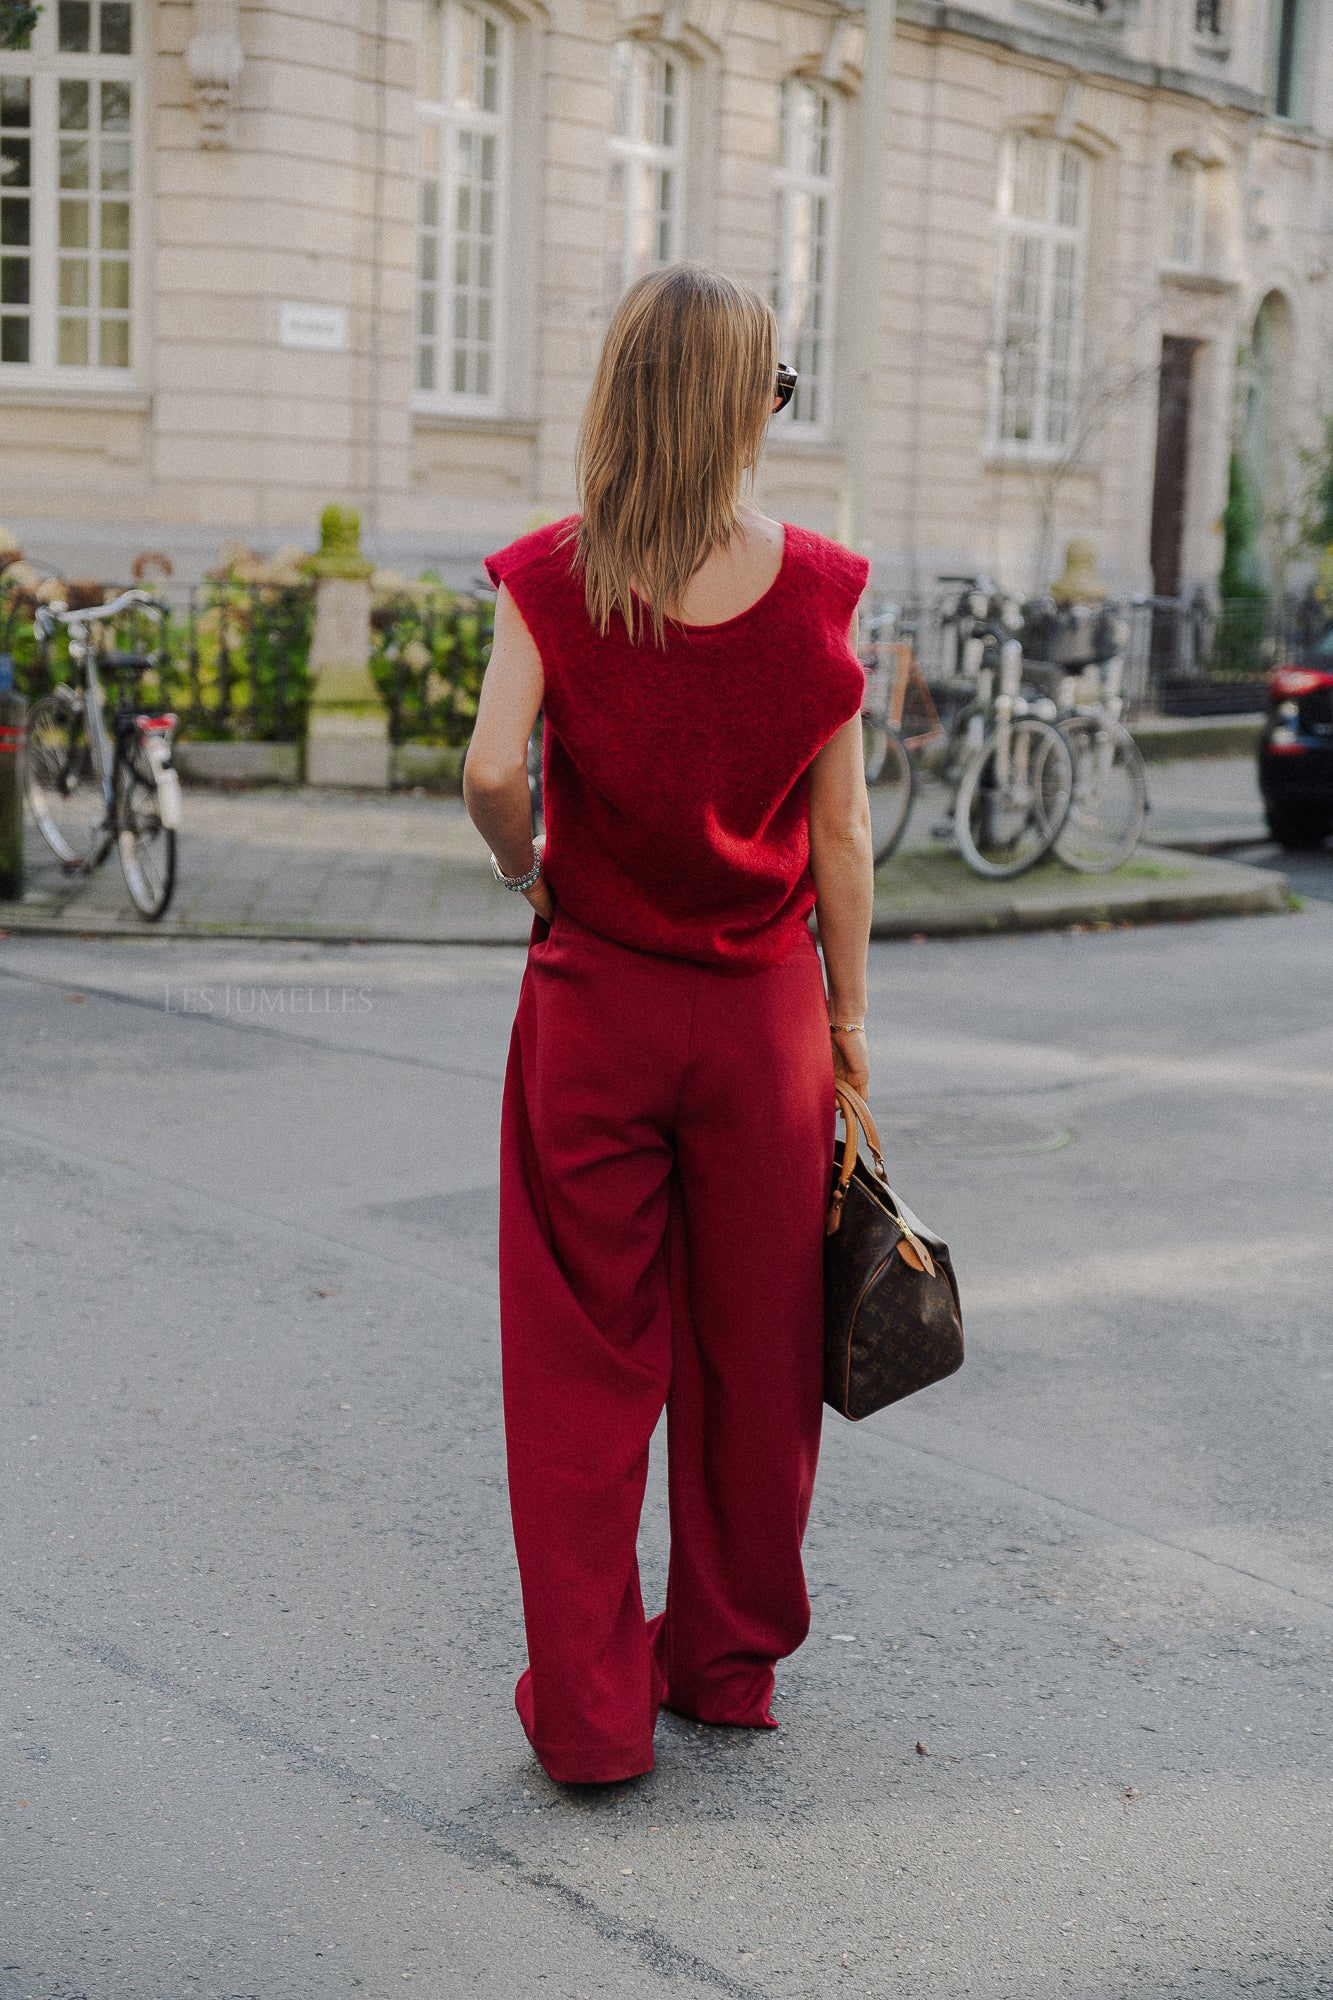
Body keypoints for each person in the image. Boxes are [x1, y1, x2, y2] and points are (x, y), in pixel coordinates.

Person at [463, 263, 874, 1786]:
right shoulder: (824, 590)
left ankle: (586, 1718)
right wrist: (848, 1029)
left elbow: (492, 773)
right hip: (762, 1016)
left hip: (594, 1003)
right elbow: (840, 842)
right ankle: (722, 1664)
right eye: (774, 389)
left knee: (578, 1368)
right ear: (737, 410)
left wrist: (532, 874)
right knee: (756, 1357)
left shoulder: (552, 578)